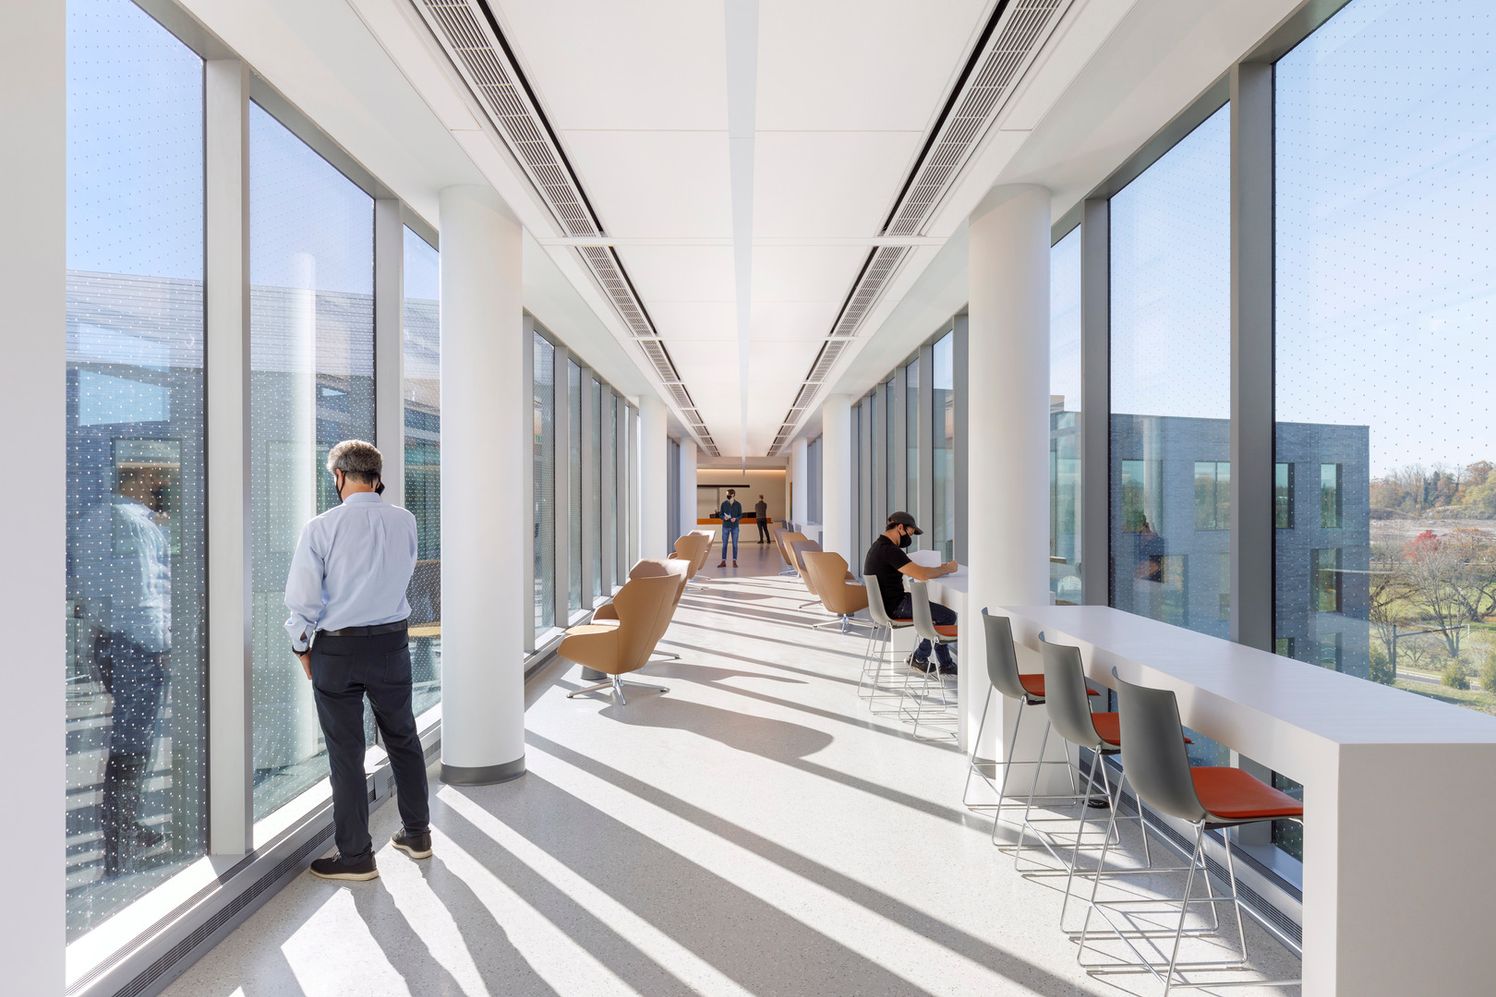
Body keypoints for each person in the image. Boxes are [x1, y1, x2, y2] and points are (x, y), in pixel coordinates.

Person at [284, 440, 431, 882]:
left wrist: (301, 647)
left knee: (345, 754)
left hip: (339, 650)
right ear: (377, 476)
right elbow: (402, 573)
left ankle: (356, 857)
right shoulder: (405, 521)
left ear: (340, 476)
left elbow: (303, 600)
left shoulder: (321, 527)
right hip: (391, 645)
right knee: (403, 739)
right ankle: (418, 835)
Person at [74, 465, 172, 879]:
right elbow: (142, 593)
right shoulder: (133, 523)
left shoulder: (94, 518)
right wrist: (162, 646)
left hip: (108, 639)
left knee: (127, 737)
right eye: (157, 482)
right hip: (136, 644)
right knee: (133, 741)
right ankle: (119, 843)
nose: (163, 491)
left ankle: (123, 828)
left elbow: (89, 587)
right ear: (137, 481)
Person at [863, 511, 959, 673]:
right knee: (947, 616)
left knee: (935, 615)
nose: (910, 538)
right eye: (910, 533)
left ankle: (941, 663)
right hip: (895, 606)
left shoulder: (878, 547)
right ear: (900, 527)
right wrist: (946, 569)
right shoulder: (890, 550)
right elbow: (920, 574)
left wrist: (937, 568)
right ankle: (925, 659)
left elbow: (914, 569)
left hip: (886, 606)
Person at [717, 488, 742, 567]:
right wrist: (724, 518)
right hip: (725, 526)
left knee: (735, 544)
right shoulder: (723, 504)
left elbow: (740, 515)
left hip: (735, 527)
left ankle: (734, 561)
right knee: (724, 544)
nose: (727, 495)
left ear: (733, 495)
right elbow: (720, 515)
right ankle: (723, 561)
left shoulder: (738, 504)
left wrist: (736, 518)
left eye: (728, 494)